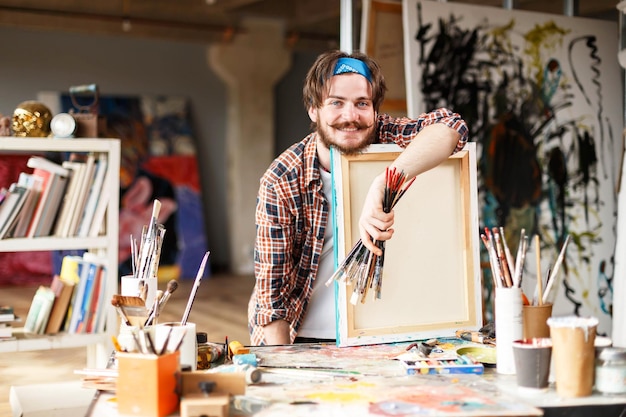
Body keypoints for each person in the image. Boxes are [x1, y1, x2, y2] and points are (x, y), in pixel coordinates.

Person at [248, 50, 469, 346]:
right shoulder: (283, 179)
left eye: (361, 104)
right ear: (314, 110)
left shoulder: (385, 136)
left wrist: (385, 181)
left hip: (386, 333)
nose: (350, 117)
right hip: (305, 337)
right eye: (336, 103)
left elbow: (452, 127)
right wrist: (283, 370)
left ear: (374, 110)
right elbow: (272, 303)